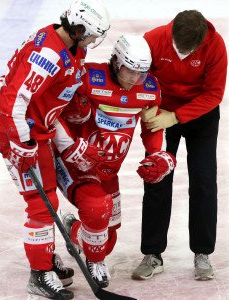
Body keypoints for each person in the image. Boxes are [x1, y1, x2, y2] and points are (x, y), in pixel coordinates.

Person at [0, 0, 110, 299]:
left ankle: (44, 256)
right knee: (42, 204)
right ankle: (39, 274)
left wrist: (66, 145)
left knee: (48, 202)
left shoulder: (71, 47)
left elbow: (46, 107)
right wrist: (22, 143)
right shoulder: (48, 55)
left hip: (36, 131)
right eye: (92, 35)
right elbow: (13, 102)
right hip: (17, 133)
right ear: (79, 29)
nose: (93, 42)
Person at [53, 34, 177, 288]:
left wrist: (156, 154)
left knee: (107, 240)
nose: (134, 79)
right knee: (99, 212)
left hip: (109, 170)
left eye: (140, 73)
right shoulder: (87, 77)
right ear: (115, 61)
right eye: (129, 71)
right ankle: (94, 261)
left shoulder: (149, 88)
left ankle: (73, 229)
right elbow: (53, 109)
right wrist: (71, 137)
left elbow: (151, 126)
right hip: (78, 163)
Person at [132, 10, 228, 281]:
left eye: (188, 51)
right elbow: (138, 78)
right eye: (177, 48)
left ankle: (202, 252)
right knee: (156, 178)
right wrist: (148, 109)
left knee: (204, 181)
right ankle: (152, 254)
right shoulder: (152, 40)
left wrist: (176, 117)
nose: (182, 54)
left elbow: (214, 93)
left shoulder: (216, 45)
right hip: (161, 111)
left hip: (201, 117)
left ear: (202, 41)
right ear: (170, 31)